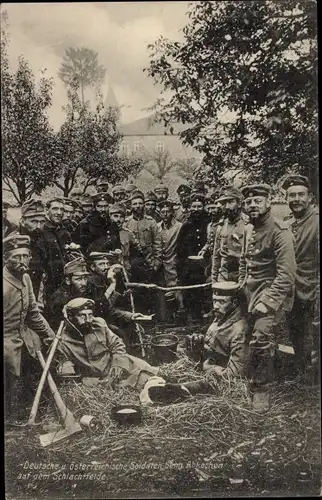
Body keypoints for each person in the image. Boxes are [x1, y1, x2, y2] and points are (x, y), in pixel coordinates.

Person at [238, 184, 296, 412]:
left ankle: (262, 389)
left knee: (262, 335)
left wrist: (268, 301)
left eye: (258, 201)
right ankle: (249, 372)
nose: (253, 205)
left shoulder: (280, 231)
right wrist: (241, 284)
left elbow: (287, 274)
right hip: (250, 291)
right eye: (249, 202)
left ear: (268, 203)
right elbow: (245, 260)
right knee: (245, 332)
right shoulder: (249, 229)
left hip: (271, 291)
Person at [54, 298, 160, 391]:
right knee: (127, 387)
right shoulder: (63, 341)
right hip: (94, 378)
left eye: (90, 314)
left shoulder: (99, 324)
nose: (88, 320)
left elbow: (117, 344)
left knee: (152, 374)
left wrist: (117, 364)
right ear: (71, 317)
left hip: (114, 364)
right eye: (82, 315)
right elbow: (67, 373)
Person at [3, 234, 55, 423]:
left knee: (40, 370)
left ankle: (35, 415)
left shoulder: (25, 278)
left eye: (26, 256)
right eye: (17, 257)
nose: (23, 261)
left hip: (23, 337)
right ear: (5, 259)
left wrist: (51, 335)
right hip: (6, 340)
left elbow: (33, 313)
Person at [282, 174, 319, 380]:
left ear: (310, 197)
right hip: (292, 290)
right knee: (295, 330)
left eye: (300, 194)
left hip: (313, 287)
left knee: (315, 332)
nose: (296, 199)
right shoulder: (287, 224)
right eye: (291, 195)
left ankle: (315, 372)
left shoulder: (316, 221)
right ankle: (301, 368)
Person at [124, 190, 162, 313]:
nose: (138, 206)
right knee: (136, 290)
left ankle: (152, 317)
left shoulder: (151, 222)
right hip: (133, 263)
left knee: (150, 290)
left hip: (149, 262)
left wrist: (157, 262)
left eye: (140, 203)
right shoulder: (126, 223)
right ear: (130, 206)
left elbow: (157, 243)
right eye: (135, 204)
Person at [203, 281, 249, 379]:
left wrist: (208, 368)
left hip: (219, 379)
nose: (215, 306)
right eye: (215, 300)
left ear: (234, 302)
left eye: (221, 301)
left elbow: (235, 374)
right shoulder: (224, 314)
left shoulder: (239, 331)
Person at [176, 192, 210, 320]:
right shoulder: (186, 224)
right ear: (190, 207)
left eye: (199, 207)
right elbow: (179, 247)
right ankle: (191, 316)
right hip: (188, 265)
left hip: (204, 265)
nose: (196, 210)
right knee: (189, 290)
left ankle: (203, 315)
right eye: (194, 207)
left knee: (203, 290)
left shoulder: (208, 223)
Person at [9, 198, 46, 302]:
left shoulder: (41, 238)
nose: (38, 226)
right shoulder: (13, 242)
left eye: (42, 222)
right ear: (22, 221)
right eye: (33, 221)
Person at [156, 200, 184, 321]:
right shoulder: (157, 227)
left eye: (168, 212)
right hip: (159, 260)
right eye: (163, 212)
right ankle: (165, 315)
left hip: (173, 259)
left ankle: (181, 311)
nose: (165, 214)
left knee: (175, 286)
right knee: (161, 287)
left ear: (172, 213)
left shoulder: (179, 226)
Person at [211, 186, 246, 283]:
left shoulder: (248, 225)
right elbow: (216, 256)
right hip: (224, 276)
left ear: (239, 204)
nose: (226, 207)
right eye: (223, 203)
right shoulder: (221, 226)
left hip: (243, 276)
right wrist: (214, 279)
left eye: (230, 202)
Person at [40, 197, 72, 299]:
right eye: (55, 209)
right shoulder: (41, 231)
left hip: (63, 282)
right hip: (47, 283)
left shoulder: (65, 232)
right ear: (47, 210)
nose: (59, 212)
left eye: (62, 209)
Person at [108, 204, 143, 277]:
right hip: (109, 267)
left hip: (126, 268)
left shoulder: (128, 234)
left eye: (121, 217)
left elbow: (137, 252)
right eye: (115, 216)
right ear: (110, 217)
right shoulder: (105, 233)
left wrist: (131, 264)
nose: (118, 220)